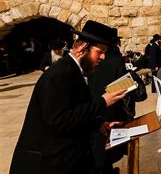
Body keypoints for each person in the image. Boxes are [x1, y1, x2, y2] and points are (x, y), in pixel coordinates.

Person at [10, 20, 127, 174]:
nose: (103, 57)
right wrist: (103, 101)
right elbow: (59, 120)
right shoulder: (59, 74)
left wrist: (98, 123)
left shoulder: (73, 70)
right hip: (45, 163)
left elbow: (75, 109)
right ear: (83, 48)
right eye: (99, 52)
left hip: (62, 158)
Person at [87, 29, 133, 174]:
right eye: (99, 52)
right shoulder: (115, 59)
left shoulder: (87, 65)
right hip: (107, 109)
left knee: (100, 151)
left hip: (96, 116)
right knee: (104, 150)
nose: (102, 57)